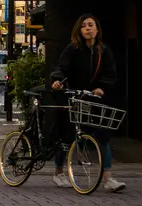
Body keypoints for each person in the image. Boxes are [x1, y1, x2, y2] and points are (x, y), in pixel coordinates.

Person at [49, 14, 124, 193]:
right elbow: (61, 67)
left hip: (94, 99)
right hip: (72, 97)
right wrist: (58, 81)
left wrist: (102, 88)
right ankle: (58, 172)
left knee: (103, 136)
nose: (88, 28)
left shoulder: (103, 51)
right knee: (66, 136)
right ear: (79, 30)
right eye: (84, 26)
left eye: (91, 25)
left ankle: (108, 178)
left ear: (97, 29)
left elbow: (111, 74)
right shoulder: (72, 49)